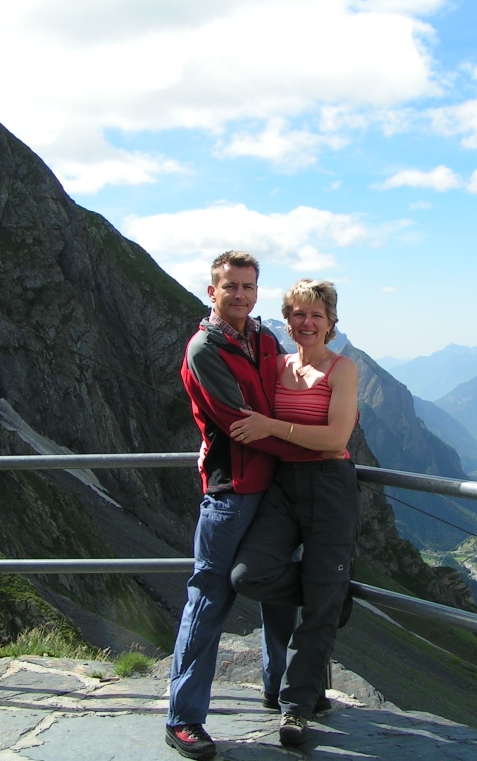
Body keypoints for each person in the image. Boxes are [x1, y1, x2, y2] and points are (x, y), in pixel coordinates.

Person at [167, 251, 313, 760]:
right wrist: (311, 444)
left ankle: (280, 689)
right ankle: (184, 718)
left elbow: (281, 400)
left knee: (276, 589)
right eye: (230, 286)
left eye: (248, 286)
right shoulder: (204, 349)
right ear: (212, 291)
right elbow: (239, 423)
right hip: (233, 491)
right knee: (209, 598)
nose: (240, 295)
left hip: (274, 488)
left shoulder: (265, 339)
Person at [229, 278, 361, 747]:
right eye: (299, 314)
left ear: (330, 323)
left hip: (330, 485)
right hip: (284, 484)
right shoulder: (277, 366)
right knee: (249, 575)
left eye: (316, 315)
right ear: (287, 321)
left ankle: (296, 708)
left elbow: (335, 439)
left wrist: (271, 426)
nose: (307, 322)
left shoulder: (342, 370)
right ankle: (330, 594)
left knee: (319, 607)